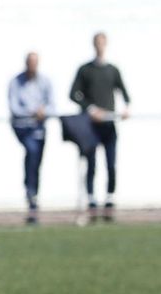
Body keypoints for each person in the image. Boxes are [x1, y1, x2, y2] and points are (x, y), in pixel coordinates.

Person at [68, 31, 131, 222]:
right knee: (91, 164)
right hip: (91, 126)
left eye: (103, 43)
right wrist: (91, 109)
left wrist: (125, 109)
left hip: (109, 125)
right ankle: (91, 201)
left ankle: (110, 201)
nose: (100, 46)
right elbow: (73, 94)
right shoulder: (85, 70)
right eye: (97, 43)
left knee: (111, 164)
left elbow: (125, 93)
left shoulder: (112, 70)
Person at [7, 52, 55, 225]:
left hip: (39, 128)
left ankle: (33, 196)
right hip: (22, 127)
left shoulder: (45, 82)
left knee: (36, 161)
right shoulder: (16, 82)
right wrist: (33, 112)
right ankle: (30, 194)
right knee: (31, 152)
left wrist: (43, 112)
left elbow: (52, 106)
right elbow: (14, 107)